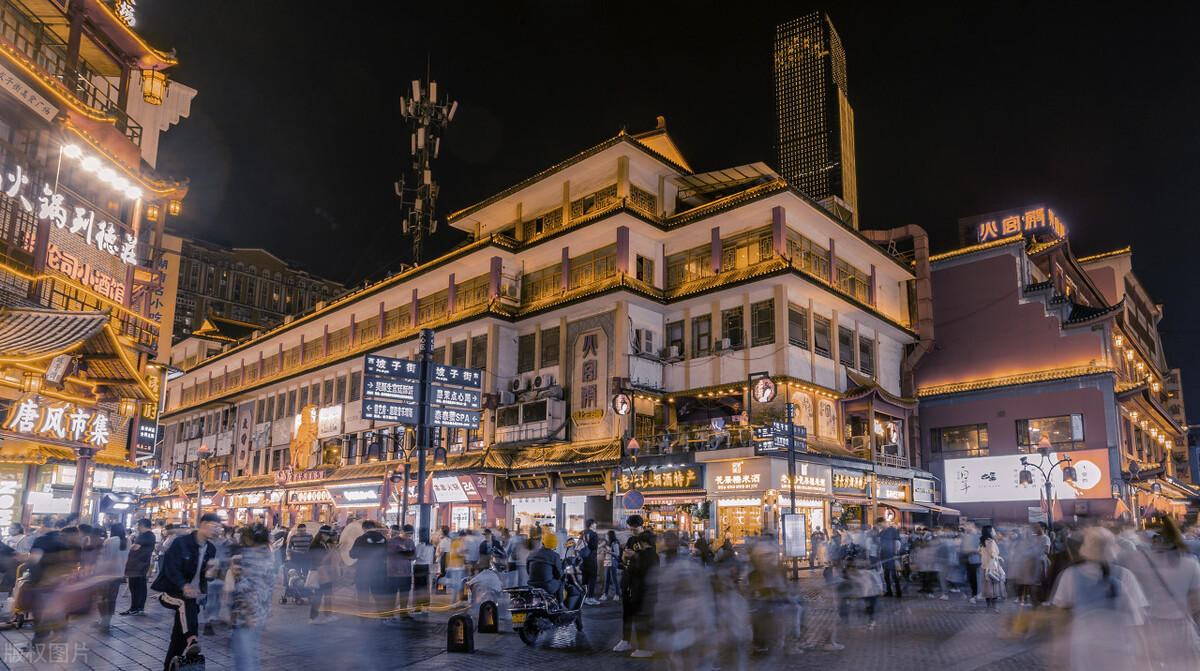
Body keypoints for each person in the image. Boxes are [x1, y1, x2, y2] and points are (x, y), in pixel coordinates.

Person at [1050, 526, 1149, 671]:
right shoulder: (1125, 575)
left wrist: (1058, 655)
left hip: (1084, 652)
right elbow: (1138, 622)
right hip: (1120, 652)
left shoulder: (1070, 575)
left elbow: (1060, 620)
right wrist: (1146, 660)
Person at [1120, 518, 1200, 669]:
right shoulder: (1190, 563)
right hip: (1182, 629)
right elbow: (1196, 602)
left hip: (1151, 628)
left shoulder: (1137, 561)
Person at [151, 513, 220, 671]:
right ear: (202, 525)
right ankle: (193, 641)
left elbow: (207, 577)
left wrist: (211, 574)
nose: (217, 530)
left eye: (219, 527)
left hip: (193, 597)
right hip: (171, 593)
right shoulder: (181, 543)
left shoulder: (211, 548)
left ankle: (169, 667)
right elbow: (170, 568)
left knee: (178, 639)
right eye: (213, 526)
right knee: (185, 602)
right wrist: (185, 586)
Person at [229, 523, 274, 671]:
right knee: (251, 652)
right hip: (261, 611)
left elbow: (246, 587)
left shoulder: (250, 556)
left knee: (244, 656)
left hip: (247, 614)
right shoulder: (267, 555)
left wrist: (249, 613)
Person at [613, 515, 658, 659]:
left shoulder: (648, 541)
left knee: (641, 614)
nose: (633, 533)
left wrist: (635, 556)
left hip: (640, 584)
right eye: (631, 530)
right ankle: (625, 640)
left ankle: (644, 646)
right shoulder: (631, 540)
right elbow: (623, 558)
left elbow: (648, 560)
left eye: (635, 530)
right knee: (627, 611)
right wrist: (626, 557)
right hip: (629, 580)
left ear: (641, 526)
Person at [93, 523, 129, 633]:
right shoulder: (127, 541)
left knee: (102, 597)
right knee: (111, 598)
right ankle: (107, 621)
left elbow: (102, 558)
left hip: (106, 574)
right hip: (119, 574)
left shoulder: (110, 541)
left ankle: (103, 620)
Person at [349, 520, 389, 620]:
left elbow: (352, 554)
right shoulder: (383, 539)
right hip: (379, 573)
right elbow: (387, 554)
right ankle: (383, 618)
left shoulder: (361, 539)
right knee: (379, 597)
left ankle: (364, 619)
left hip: (364, 573)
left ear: (364, 529)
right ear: (374, 527)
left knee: (363, 597)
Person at [120, 519, 157, 616]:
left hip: (137, 564)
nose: (137, 528)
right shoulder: (151, 535)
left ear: (141, 525)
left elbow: (135, 547)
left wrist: (129, 546)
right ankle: (139, 608)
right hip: (143, 563)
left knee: (135, 586)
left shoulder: (144, 535)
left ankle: (134, 608)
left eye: (138, 526)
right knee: (141, 586)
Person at [308, 526, 340, 623]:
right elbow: (321, 560)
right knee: (319, 595)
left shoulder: (323, 543)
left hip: (324, 572)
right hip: (319, 573)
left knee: (326, 594)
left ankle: (325, 616)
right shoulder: (316, 546)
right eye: (327, 536)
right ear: (322, 535)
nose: (329, 538)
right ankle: (314, 617)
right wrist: (332, 550)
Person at [387, 524, 416, 617]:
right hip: (393, 573)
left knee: (405, 595)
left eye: (410, 535)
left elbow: (414, 556)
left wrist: (408, 553)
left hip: (406, 573)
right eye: (406, 535)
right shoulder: (391, 542)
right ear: (401, 532)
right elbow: (386, 554)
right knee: (392, 595)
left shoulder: (410, 542)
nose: (408, 537)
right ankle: (391, 614)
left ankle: (404, 613)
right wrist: (398, 549)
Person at [980, 525, 1005, 612]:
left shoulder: (983, 541)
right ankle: (993, 608)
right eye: (993, 530)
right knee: (994, 588)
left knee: (987, 588)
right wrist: (999, 557)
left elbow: (979, 550)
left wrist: (985, 556)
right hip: (993, 567)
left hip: (984, 566)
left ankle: (988, 607)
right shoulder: (991, 542)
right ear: (990, 532)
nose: (994, 531)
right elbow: (992, 554)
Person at [876, 517, 902, 598]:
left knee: (893, 574)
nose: (880, 526)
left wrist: (895, 553)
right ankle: (889, 591)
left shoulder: (892, 530)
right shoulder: (881, 532)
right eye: (878, 525)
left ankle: (898, 592)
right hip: (883, 555)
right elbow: (879, 543)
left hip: (891, 554)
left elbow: (896, 542)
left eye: (880, 524)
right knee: (886, 574)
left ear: (884, 522)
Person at [579, 519, 601, 604]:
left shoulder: (584, 533)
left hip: (583, 559)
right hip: (591, 559)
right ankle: (590, 597)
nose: (595, 524)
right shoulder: (593, 534)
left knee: (585, 578)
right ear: (591, 524)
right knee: (592, 578)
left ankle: (584, 597)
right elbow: (594, 547)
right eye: (594, 523)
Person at [413, 530, 434, 614]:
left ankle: (417, 608)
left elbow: (415, 556)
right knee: (425, 587)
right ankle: (426, 607)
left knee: (418, 587)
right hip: (427, 567)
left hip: (419, 567)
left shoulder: (420, 545)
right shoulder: (431, 546)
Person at [600, 529, 621, 601]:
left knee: (614, 579)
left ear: (610, 536)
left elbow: (617, 553)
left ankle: (617, 594)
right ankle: (605, 594)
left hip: (612, 563)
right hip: (607, 562)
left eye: (607, 535)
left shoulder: (615, 543)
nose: (606, 536)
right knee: (607, 580)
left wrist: (608, 552)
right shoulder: (608, 543)